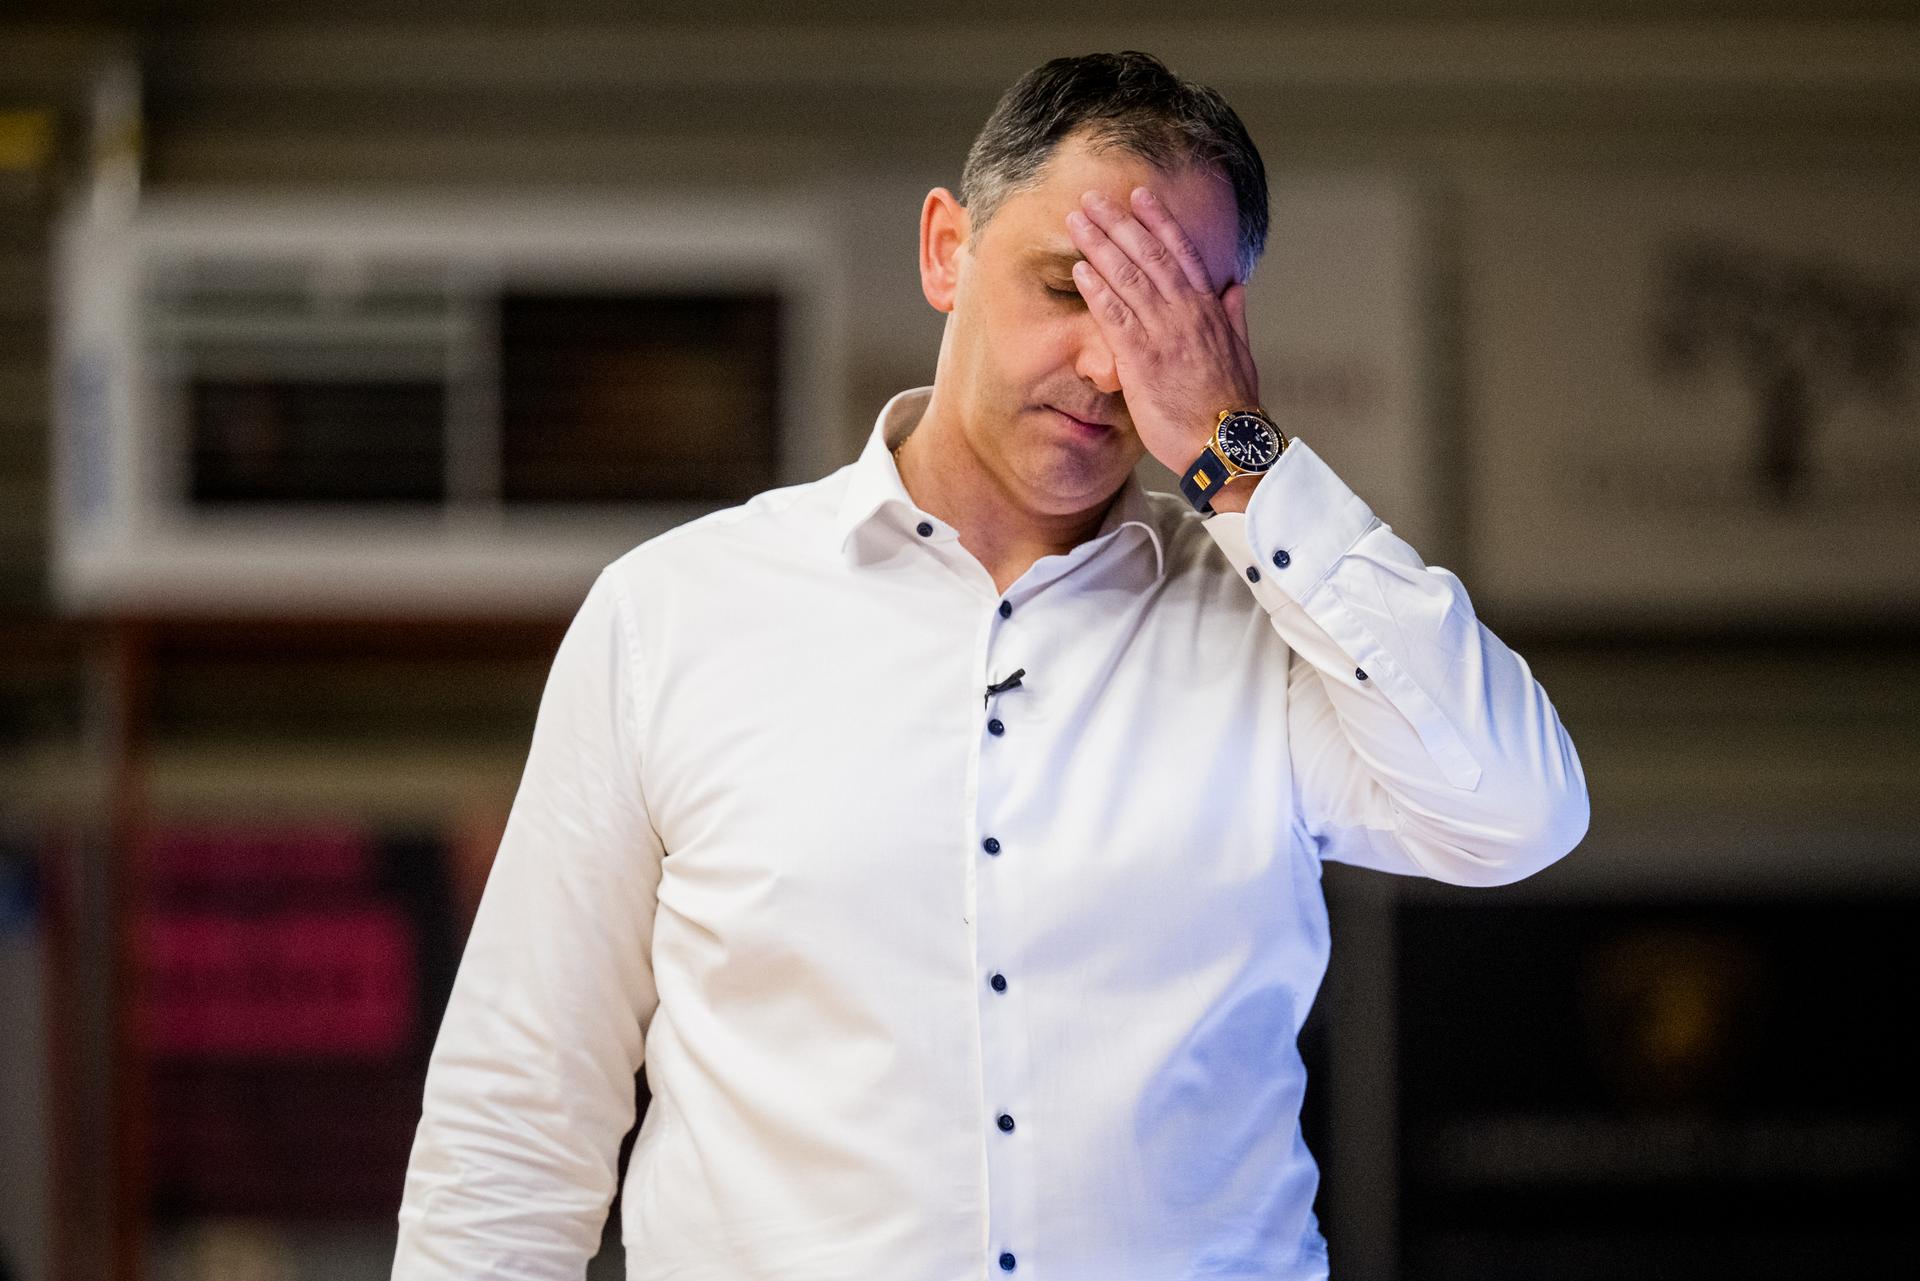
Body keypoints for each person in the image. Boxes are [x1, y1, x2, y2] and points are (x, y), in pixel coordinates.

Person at [391, 50, 1588, 1281]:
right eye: (1073, 287)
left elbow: (1516, 814)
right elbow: (518, 1117)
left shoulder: (1275, 631)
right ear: (945, 251)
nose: (1111, 367)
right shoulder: (675, 616)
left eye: (1167, 315)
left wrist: (1241, 455)